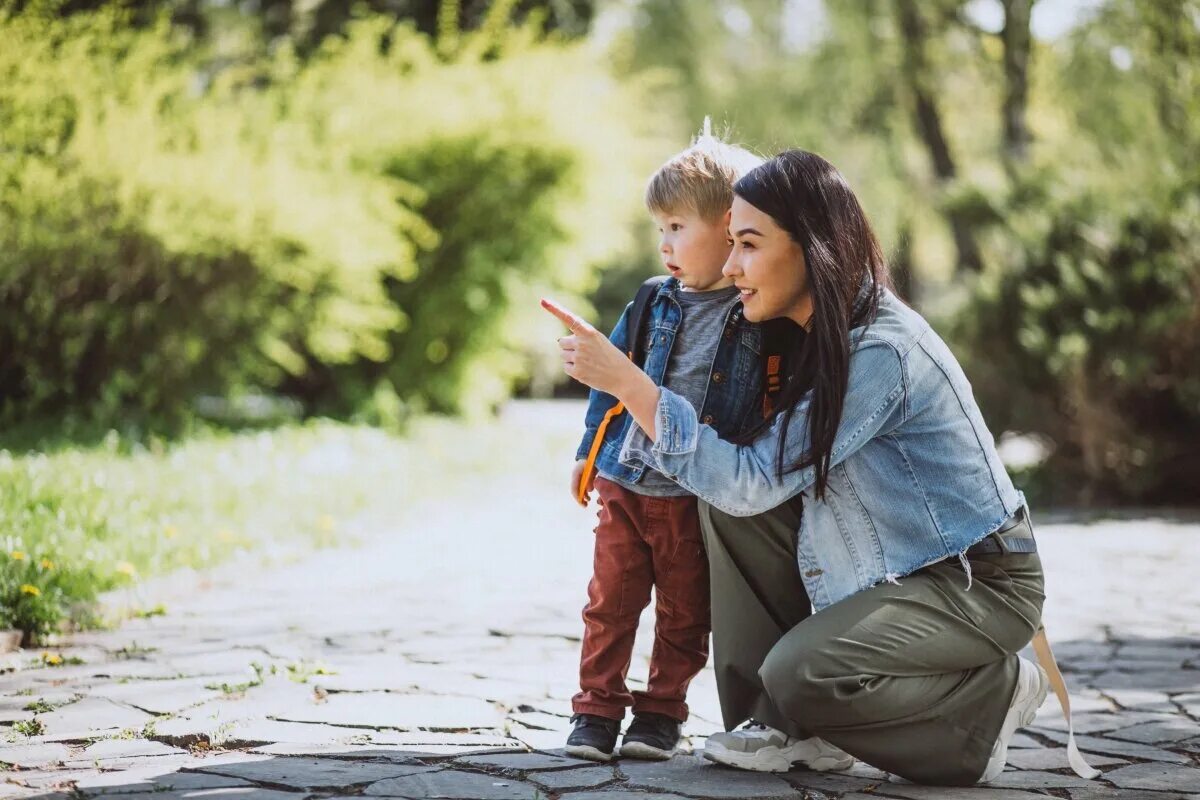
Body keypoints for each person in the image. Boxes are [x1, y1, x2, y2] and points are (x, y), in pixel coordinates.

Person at [542, 149, 1097, 785]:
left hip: (972, 579)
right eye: (727, 244)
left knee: (802, 673)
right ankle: (781, 727)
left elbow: (755, 480)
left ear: (811, 248)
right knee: (722, 503)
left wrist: (632, 386)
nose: (729, 267)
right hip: (887, 566)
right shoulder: (805, 332)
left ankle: (988, 697)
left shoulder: (879, 351)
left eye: (747, 245)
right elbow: (742, 476)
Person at [562, 129, 772, 763]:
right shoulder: (654, 298)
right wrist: (588, 454)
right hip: (626, 480)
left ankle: (660, 713)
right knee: (609, 603)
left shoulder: (753, 311)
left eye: (678, 226)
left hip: (691, 495)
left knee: (684, 612)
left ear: (729, 228)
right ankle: (595, 711)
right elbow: (611, 377)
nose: (666, 243)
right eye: (661, 228)